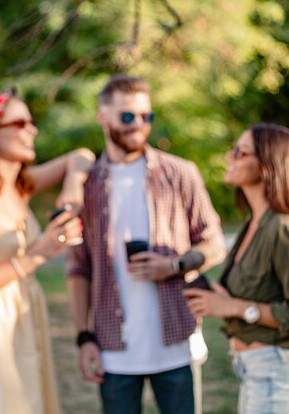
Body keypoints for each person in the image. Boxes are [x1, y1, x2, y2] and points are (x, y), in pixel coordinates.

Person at [65, 74, 226, 414]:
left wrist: (175, 265)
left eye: (145, 116)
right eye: (127, 116)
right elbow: (78, 267)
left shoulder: (180, 173)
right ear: (103, 117)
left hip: (176, 344)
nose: (137, 124)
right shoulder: (88, 184)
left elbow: (214, 242)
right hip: (114, 350)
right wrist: (84, 336)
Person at [0, 87, 95, 414]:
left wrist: (72, 191)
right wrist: (40, 253)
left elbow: (82, 156)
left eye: (31, 122)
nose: (33, 129)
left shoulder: (20, 185)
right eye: (20, 123)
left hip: (25, 311)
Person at [184, 123, 289, 414]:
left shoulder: (285, 230)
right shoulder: (253, 224)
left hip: (280, 377)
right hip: (254, 374)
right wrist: (215, 296)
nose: (230, 157)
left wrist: (233, 306)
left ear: (267, 165)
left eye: (240, 152)